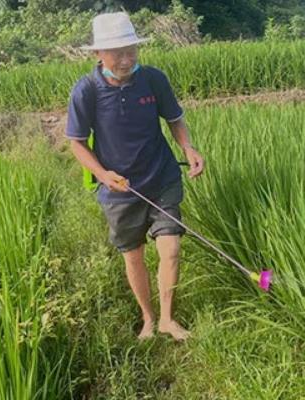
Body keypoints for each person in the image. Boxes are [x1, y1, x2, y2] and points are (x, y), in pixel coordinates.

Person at [65, 12, 204, 341]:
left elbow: (174, 119)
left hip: (162, 176)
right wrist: (101, 173)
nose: (127, 60)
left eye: (132, 51)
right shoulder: (86, 91)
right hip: (120, 190)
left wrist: (188, 148)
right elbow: (76, 142)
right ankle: (148, 319)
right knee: (134, 255)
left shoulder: (153, 79)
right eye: (118, 53)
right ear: (99, 54)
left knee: (170, 249)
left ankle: (169, 319)